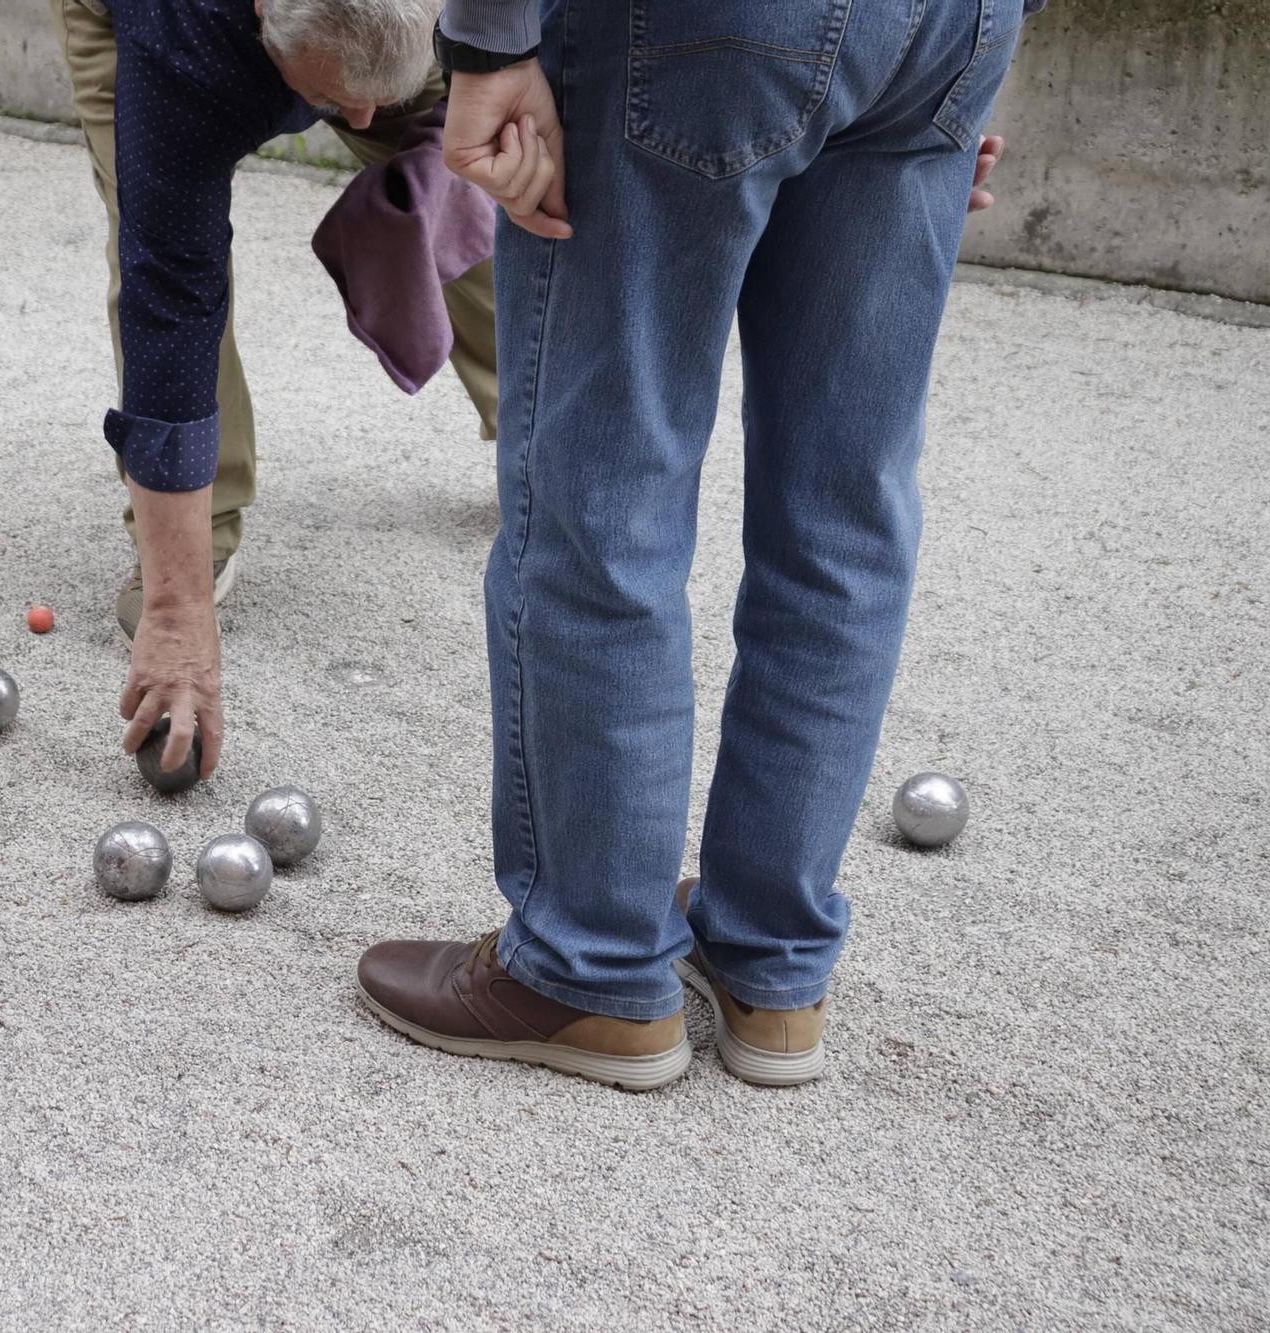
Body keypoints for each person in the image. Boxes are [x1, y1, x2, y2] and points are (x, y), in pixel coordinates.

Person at [356, 0, 1028, 1089]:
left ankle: (590, 966)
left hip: (696, 29)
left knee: (605, 494)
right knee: (844, 507)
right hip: (943, 24)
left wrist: (486, 44)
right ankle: (772, 964)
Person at [54, 0, 500, 780]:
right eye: (339, 98)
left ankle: (547, 436)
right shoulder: (181, 43)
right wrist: (175, 614)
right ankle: (200, 533)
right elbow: (171, 299)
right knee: (162, 245)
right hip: (159, 24)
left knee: (482, 163)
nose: (363, 116)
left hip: (398, 31)